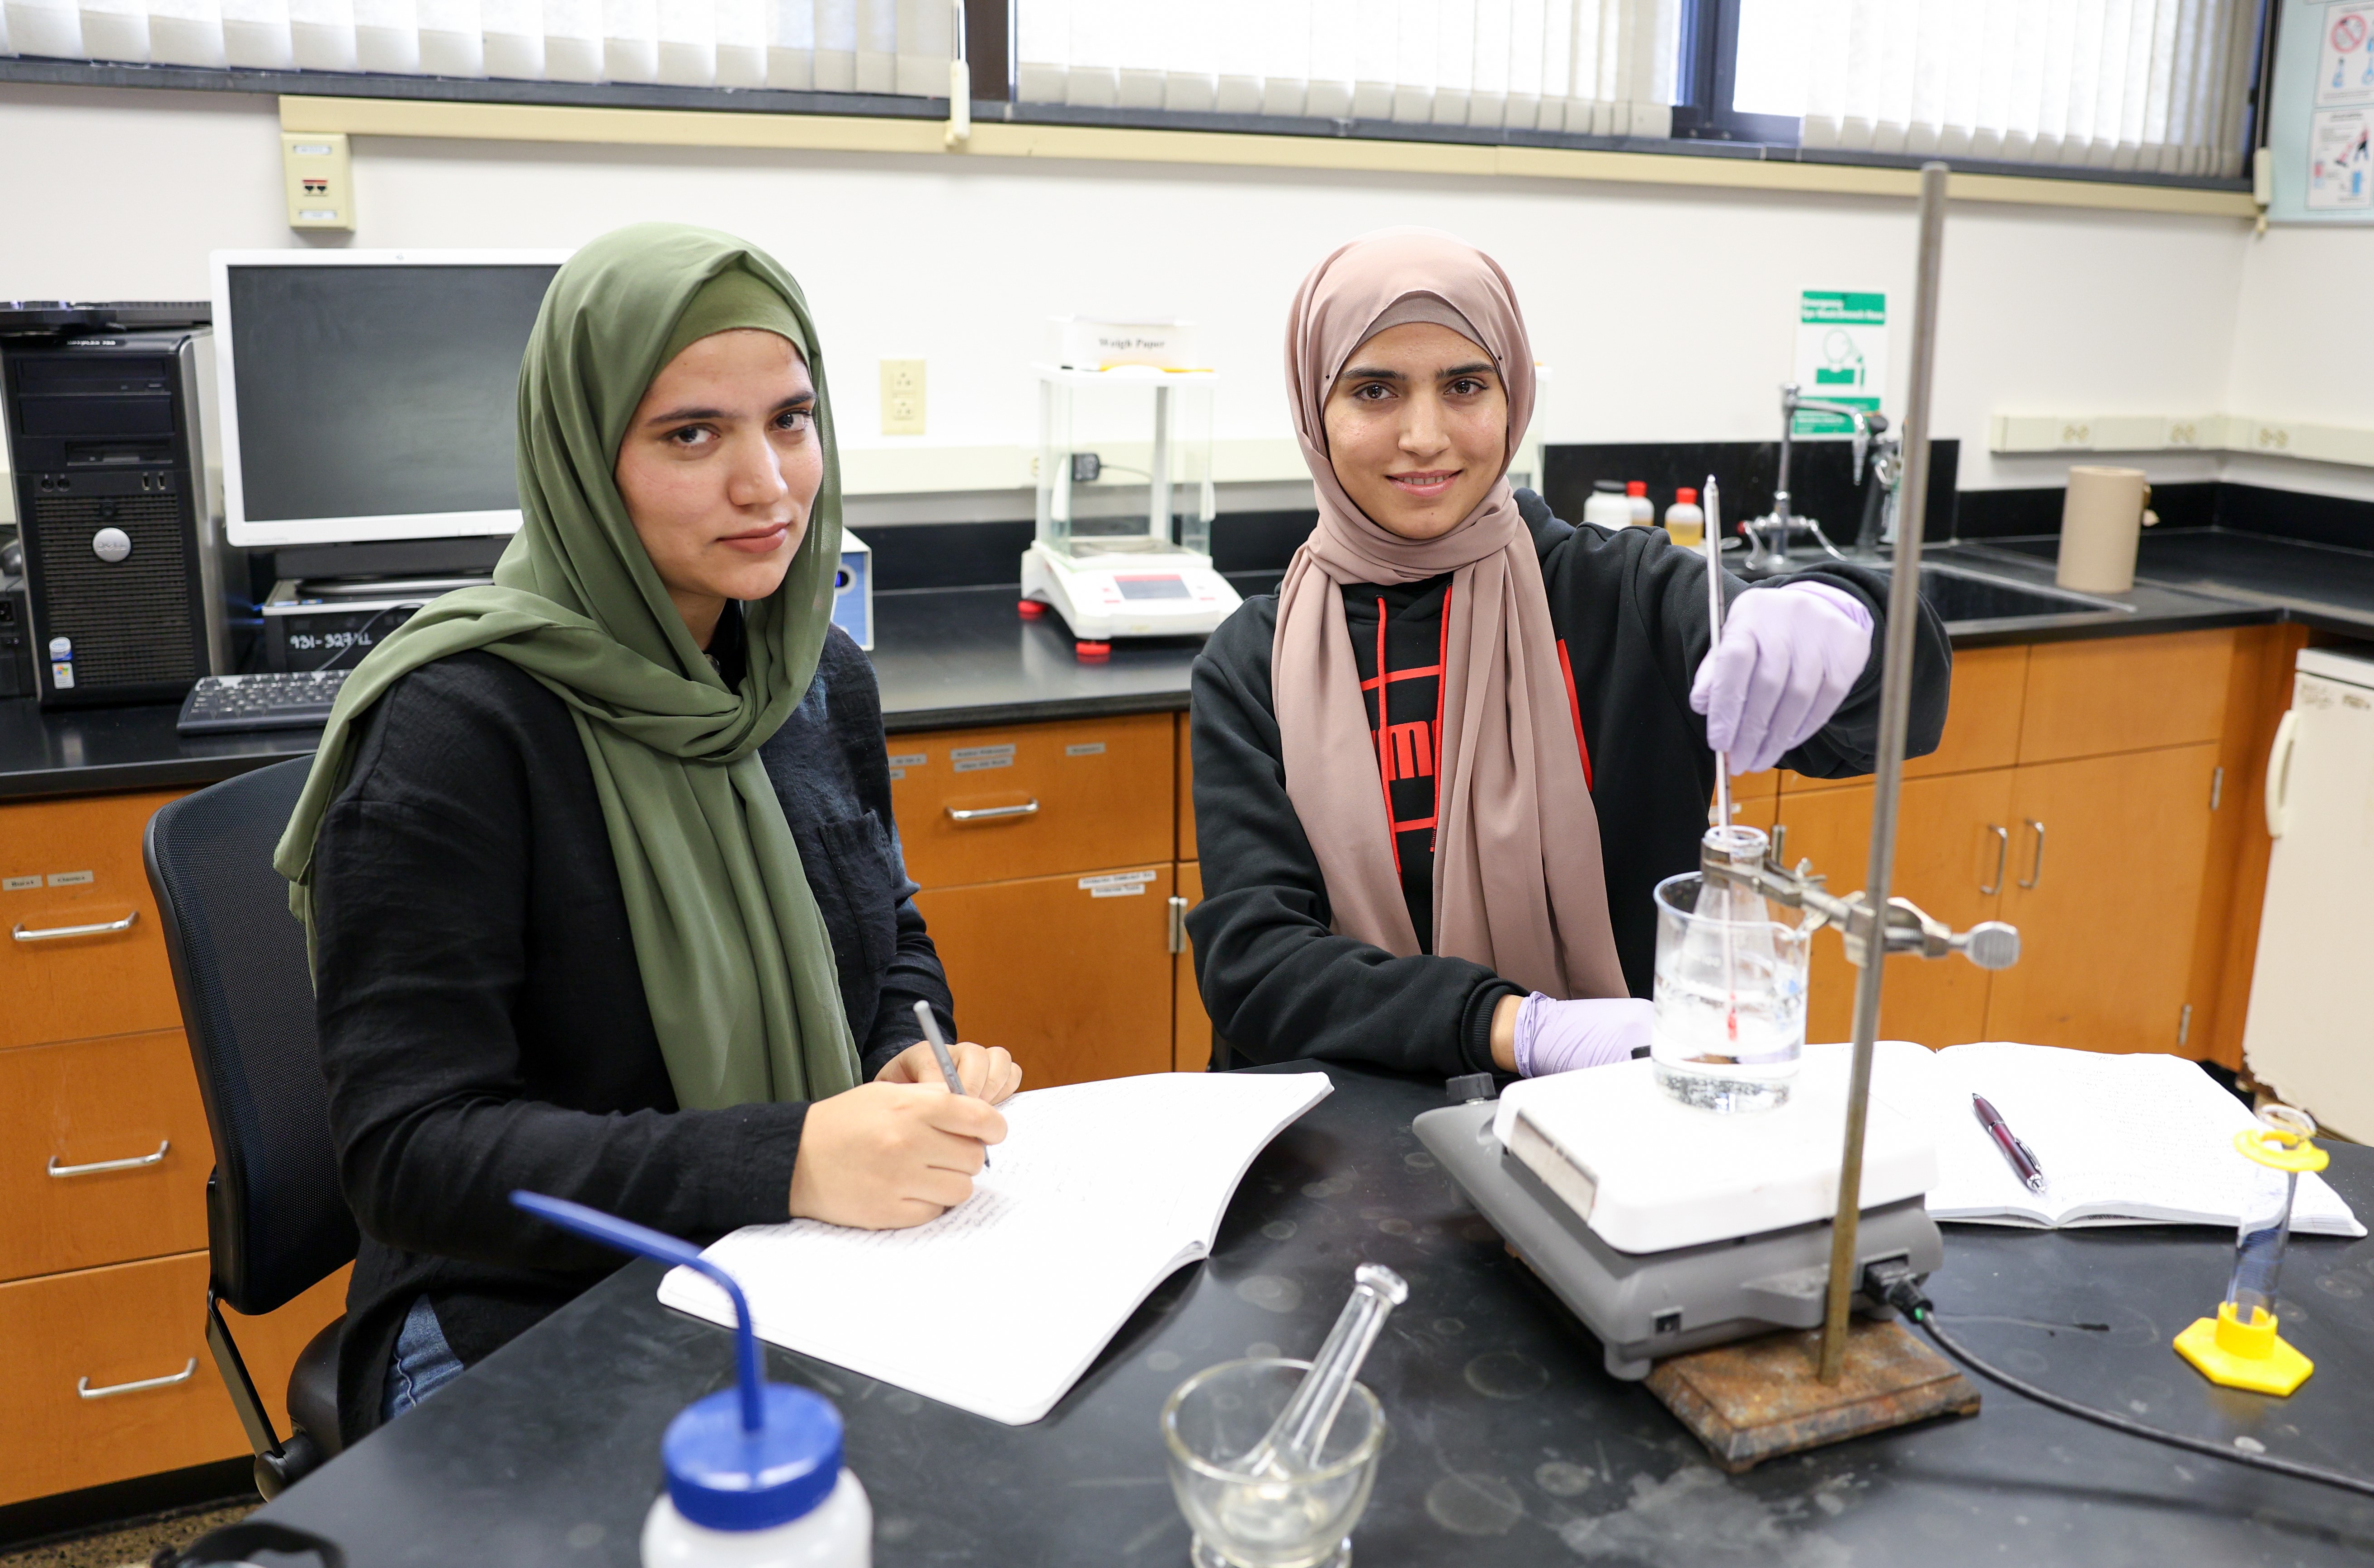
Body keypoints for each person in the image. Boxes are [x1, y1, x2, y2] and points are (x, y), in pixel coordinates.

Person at [275, 223, 1016, 1445]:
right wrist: (786, 1158)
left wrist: (899, 1051)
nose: (767, 484)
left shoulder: (811, 676)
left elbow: (889, 932)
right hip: (519, 1300)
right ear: (581, 456)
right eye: (690, 434)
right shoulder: (457, 726)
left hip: (795, 1253)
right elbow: (410, 1152)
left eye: (789, 419)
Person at [1188, 228, 1949, 1081]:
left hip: (1613, 1112)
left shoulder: (1624, 595)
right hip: (1346, 1130)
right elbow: (1257, 970)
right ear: (1313, 412)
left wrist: (1849, 615)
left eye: (1466, 386)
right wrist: (1517, 1028)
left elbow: (1878, 726)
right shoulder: (1253, 663)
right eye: (1374, 391)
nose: (1426, 435)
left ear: (1512, 399)